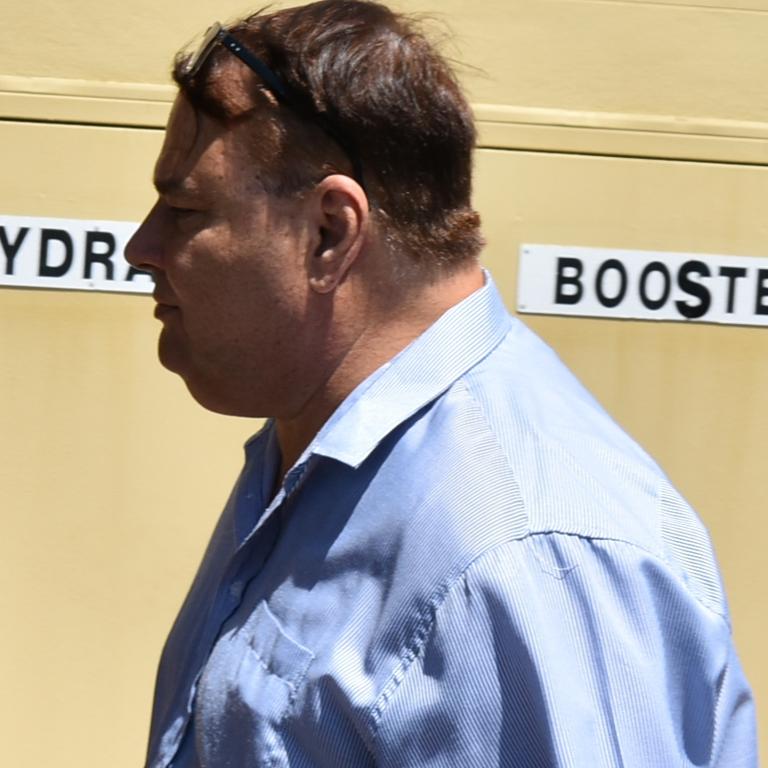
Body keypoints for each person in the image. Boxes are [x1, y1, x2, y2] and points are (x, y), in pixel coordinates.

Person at [125, 2, 757, 766]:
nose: (141, 247)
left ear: (328, 232)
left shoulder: (520, 556)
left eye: (186, 209)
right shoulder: (319, 455)